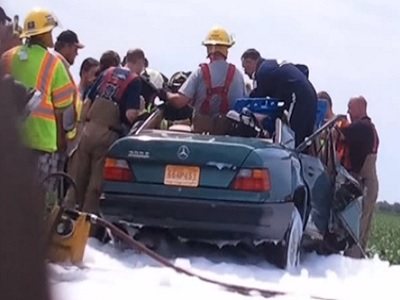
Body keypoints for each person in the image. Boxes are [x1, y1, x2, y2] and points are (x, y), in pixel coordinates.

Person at [64, 49, 143, 222]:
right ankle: (86, 228)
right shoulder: (134, 81)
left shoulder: (107, 72)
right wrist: (140, 115)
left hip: (88, 130)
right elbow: (130, 114)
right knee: (95, 185)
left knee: (77, 178)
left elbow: (87, 100)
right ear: (140, 62)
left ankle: (65, 219)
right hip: (108, 135)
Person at [1, 8, 74, 193]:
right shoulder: (54, 62)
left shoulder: (8, 57)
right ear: (43, 34)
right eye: (50, 31)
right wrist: (66, 137)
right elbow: (64, 106)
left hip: (12, 138)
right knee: (40, 197)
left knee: (10, 193)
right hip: (42, 141)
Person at [159, 26, 246, 134]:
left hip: (202, 137)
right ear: (226, 50)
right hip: (230, 139)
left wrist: (166, 94)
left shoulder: (200, 73)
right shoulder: (238, 75)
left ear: (208, 49)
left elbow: (179, 102)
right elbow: (243, 105)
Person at [241, 48, 318, 147]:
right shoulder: (272, 65)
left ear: (249, 62)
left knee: (293, 137)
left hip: (297, 97)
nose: (245, 72)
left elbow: (256, 99)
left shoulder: (261, 72)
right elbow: (303, 69)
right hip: (309, 94)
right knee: (303, 139)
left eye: (245, 67)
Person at [339, 96, 379, 259]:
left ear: (360, 107)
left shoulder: (361, 127)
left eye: (350, 107)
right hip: (370, 183)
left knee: (355, 229)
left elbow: (339, 134)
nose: (348, 111)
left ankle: (352, 263)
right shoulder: (369, 127)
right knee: (362, 231)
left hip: (365, 183)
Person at [54, 30, 85, 172]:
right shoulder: (57, 64)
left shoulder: (60, 65)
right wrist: (60, 135)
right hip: (54, 135)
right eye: (75, 49)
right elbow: (59, 105)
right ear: (66, 46)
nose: (76, 53)